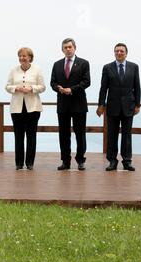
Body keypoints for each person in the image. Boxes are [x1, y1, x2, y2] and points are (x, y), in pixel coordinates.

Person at [97, 43, 141, 171]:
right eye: (117, 51)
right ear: (114, 53)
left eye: (121, 51)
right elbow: (103, 88)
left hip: (129, 106)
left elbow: (137, 87)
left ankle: (127, 161)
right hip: (112, 106)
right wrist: (101, 104)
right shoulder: (107, 67)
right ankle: (112, 161)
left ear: (126, 53)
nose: (119, 53)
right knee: (112, 135)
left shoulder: (134, 67)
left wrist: (138, 104)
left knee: (127, 135)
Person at [50, 38, 90, 171]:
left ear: (75, 48)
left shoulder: (84, 63)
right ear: (62, 50)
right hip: (63, 104)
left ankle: (80, 160)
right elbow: (52, 82)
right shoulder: (57, 64)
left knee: (80, 134)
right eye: (65, 47)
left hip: (78, 104)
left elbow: (86, 82)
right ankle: (65, 161)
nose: (68, 49)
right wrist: (59, 88)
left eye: (70, 47)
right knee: (64, 134)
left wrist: (71, 89)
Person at [5, 47, 46, 170]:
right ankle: (18, 163)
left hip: (33, 108)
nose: (22, 58)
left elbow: (43, 87)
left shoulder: (37, 70)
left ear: (30, 57)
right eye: (20, 56)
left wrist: (32, 89)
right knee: (18, 135)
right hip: (17, 108)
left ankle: (29, 163)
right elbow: (7, 86)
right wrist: (16, 88)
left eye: (24, 56)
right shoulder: (13, 70)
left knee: (31, 136)